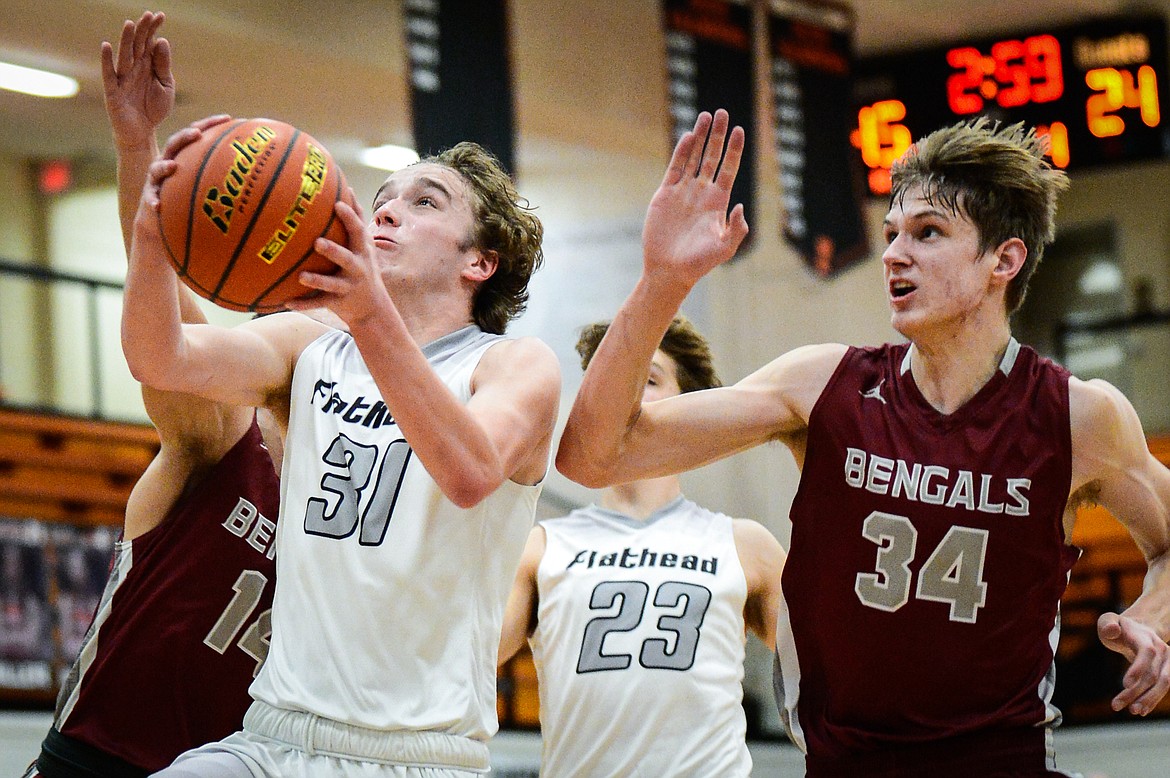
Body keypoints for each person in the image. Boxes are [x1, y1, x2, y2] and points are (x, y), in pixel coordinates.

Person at [555, 109, 1170, 776]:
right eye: (891, 234)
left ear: (1004, 259)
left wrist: (1155, 615)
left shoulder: (1078, 416)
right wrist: (661, 282)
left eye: (928, 233)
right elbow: (593, 457)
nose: (895, 254)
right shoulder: (821, 386)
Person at [120, 36, 560, 775]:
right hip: (273, 734)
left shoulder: (515, 365)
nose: (388, 213)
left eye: (424, 203)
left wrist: (366, 316)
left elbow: (469, 471)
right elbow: (161, 357)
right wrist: (152, 222)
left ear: (479, 261)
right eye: (381, 200)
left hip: (418, 753)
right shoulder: (311, 346)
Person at [25, 13, 283, 778]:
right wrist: (137, 150)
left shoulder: (362, 503)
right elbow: (166, 325)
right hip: (98, 761)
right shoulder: (226, 441)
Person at [499, 316, 785, 776]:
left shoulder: (745, 544)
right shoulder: (542, 546)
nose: (623, 392)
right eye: (607, 378)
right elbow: (466, 661)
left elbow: (831, 676)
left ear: (687, 406)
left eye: (648, 379)